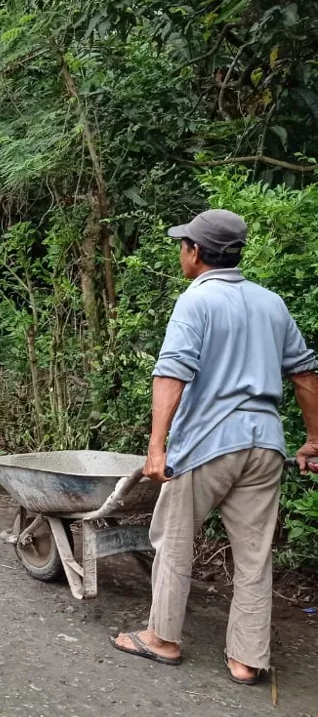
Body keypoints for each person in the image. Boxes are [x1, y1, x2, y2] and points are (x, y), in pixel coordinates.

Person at [110, 209, 318, 685]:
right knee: (254, 554)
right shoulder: (271, 303)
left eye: (183, 245)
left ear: (196, 252)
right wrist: (313, 440)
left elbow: (172, 372)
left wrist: (156, 448)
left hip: (208, 443)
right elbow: (306, 374)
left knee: (174, 539)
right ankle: (247, 658)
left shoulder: (196, 301)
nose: (181, 252)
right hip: (265, 445)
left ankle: (162, 638)